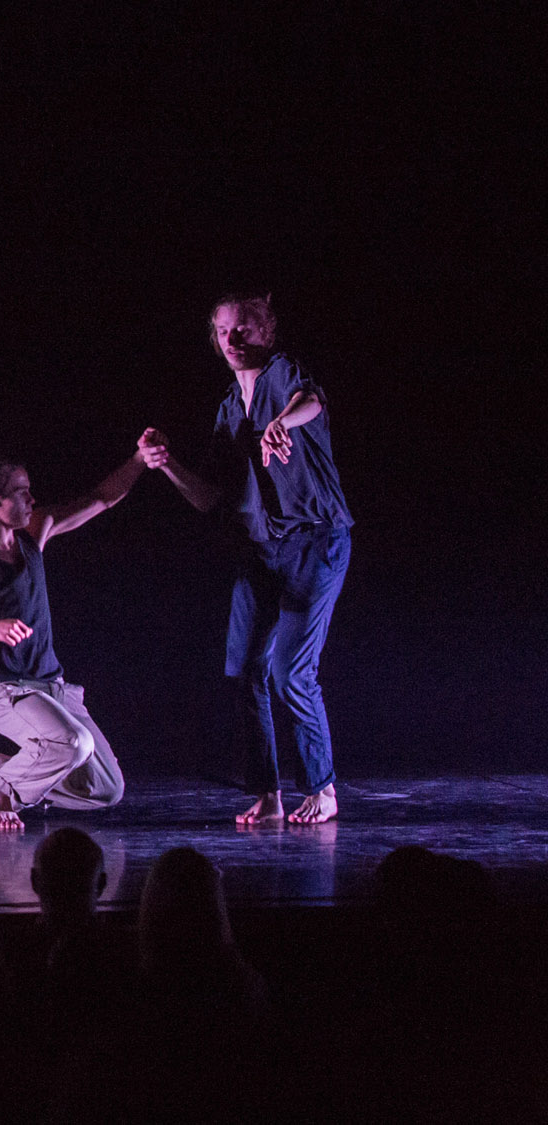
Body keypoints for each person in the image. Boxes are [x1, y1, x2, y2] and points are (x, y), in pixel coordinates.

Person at [139, 295, 353, 824]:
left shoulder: (283, 375)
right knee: (244, 671)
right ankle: (269, 793)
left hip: (315, 540)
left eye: (244, 329)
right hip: (260, 550)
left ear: (267, 332)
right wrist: (166, 466)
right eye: (224, 332)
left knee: (291, 672)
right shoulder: (229, 410)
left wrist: (283, 422)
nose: (233, 340)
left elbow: (312, 401)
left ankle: (322, 789)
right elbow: (214, 498)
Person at [0, 442, 142, 828]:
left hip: (52, 688)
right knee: (74, 743)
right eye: (22, 492)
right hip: (8, 692)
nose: (32, 499)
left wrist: (139, 459)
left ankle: (12, 769)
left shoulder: (34, 532)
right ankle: (0, 784)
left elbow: (102, 498)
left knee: (106, 789)